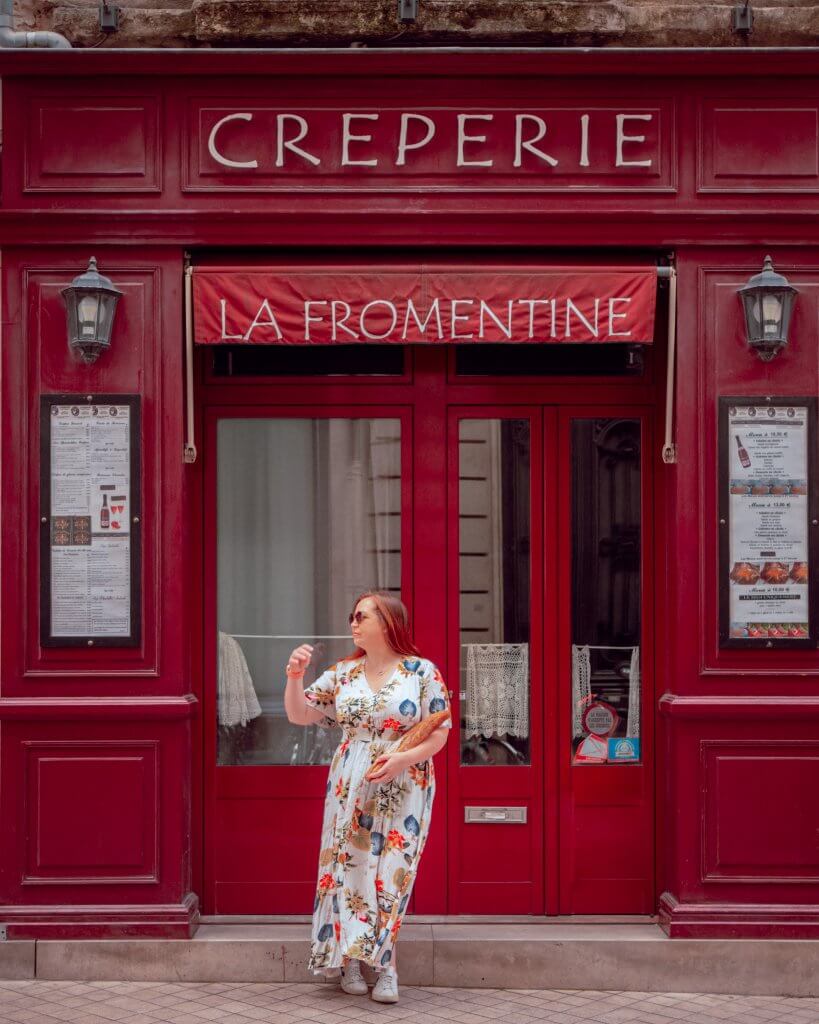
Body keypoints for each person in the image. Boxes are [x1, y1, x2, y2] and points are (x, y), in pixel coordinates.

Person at [284, 591, 451, 1004]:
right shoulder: (343, 673)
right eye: (351, 616)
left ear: (389, 622)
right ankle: (350, 961)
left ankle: (385, 963)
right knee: (348, 866)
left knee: (392, 869)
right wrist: (294, 676)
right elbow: (300, 714)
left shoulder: (421, 671)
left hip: (406, 782)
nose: (353, 623)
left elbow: (440, 732)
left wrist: (402, 759)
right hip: (351, 779)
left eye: (362, 616)